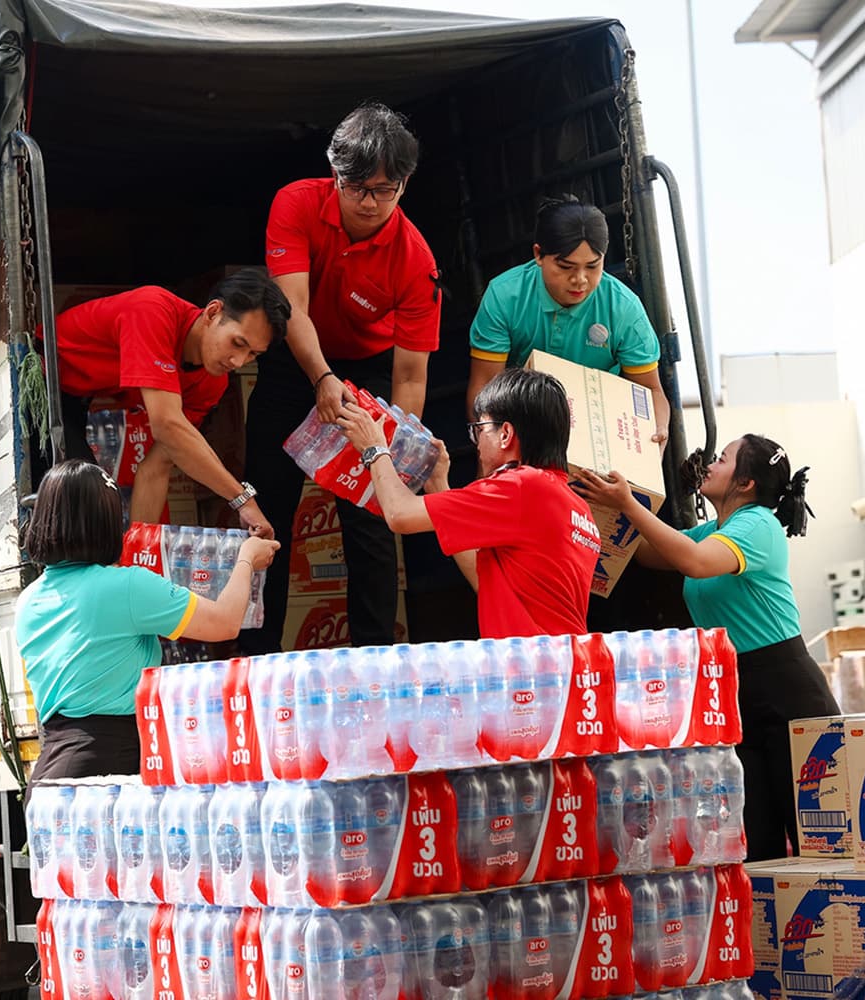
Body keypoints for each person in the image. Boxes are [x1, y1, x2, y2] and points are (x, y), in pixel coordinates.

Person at [574, 434, 838, 861]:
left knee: (813, 834)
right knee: (757, 838)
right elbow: (649, 553)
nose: (710, 463)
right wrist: (596, 505)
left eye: (722, 458)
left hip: (786, 690)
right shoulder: (714, 530)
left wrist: (627, 504)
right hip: (737, 688)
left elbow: (693, 561)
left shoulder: (757, 524)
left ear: (745, 482)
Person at [242, 101, 442, 652]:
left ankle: (374, 655)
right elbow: (293, 308)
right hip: (294, 360)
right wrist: (321, 378)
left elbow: (410, 375)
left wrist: (394, 456)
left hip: (367, 375)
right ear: (336, 176)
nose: (372, 202)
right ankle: (255, 658)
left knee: (372, 522)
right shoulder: (296, 203)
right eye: (358, 188)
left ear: (404, 186)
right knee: (268, 510)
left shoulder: (415, 260)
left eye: (387, 189)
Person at [17, 459, 279, 792]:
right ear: (105, 523)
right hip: (110, 769)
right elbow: (224, 623)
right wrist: (246, 560)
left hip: (50, 775)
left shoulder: (28, 601)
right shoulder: (126, 587)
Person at [334, 368, 599, 639]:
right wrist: (439, 485)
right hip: (562, 666)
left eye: (480, 429)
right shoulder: (576, 506)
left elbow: (399, 514)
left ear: (505, 433)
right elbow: (487, 581)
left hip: (534, 669)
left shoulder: (521, 486)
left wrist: (375, 449)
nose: (476, 443)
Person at [52, 269, 291, 535]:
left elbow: (157, 467)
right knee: (85, 498)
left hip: (82, 399)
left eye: (252, 354)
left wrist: (138, 560)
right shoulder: (152, 310)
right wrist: (242, 499)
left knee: (99, 514)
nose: (238, 362)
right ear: (213, 312)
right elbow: (167, 425)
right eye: (237, 343)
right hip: (43, 382)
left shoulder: (213, 382)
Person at [466, 195, 670, 447]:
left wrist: (657, 431)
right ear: (539, 255)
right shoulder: (505, 296)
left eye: (593, 267)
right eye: (566, 267)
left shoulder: (624, 309)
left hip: (597, 437)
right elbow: (484, 388)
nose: (580, 280)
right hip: (521, 431)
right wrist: (493, 452)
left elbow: (651, 391)